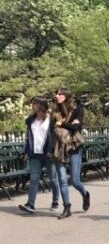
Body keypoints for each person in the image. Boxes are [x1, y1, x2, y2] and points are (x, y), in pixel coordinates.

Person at [52, 88, 89, 219]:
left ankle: (85, 194)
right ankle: (67, 208)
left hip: (74, 147)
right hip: (58, 148)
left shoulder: (77, 109)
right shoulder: (55, 111)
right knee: (62, 179)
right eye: (57, 94)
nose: (57, 96)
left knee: (74, 181)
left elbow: (76, 128)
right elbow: (52, 129)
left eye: (60, 94)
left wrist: (62, 123)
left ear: (67, 96)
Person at [18, 97, 59, 214]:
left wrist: (51, 151)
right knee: (34, 179)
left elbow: (55, 137)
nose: (32, 106)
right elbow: (29, 137)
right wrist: (27, 151)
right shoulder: (31, 120)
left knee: (53, 179)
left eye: (34, 104)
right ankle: (31, 204)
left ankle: (55, 201)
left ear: (41, 106)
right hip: (35, 154)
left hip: (48, 154)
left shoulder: (51, 120)